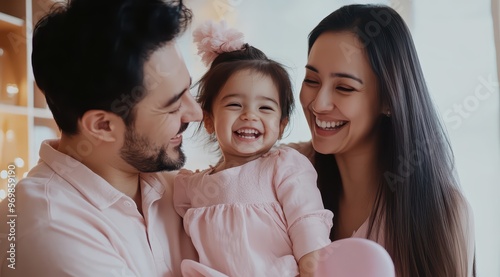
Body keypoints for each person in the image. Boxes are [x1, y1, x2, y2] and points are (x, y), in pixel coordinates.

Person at [0, 0, 202, 276]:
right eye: (173, 105)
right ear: (103, 125)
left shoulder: (176, 184)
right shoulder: (49, 226)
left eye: (188, 90)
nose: (197, 113)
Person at [292, 4, 475, 277]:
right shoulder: (285, 173)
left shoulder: (444, 213)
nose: (318, 103)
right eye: (311, 80)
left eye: (344, 87)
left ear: (389, 100)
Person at [173, 21, 333, 277]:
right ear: (210, 120)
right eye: (235, 104)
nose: (250, 115)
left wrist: (313, 268)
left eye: (265, 108)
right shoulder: (191, 187)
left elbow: (307, 220)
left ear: (281, 125)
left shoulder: (285, 166)